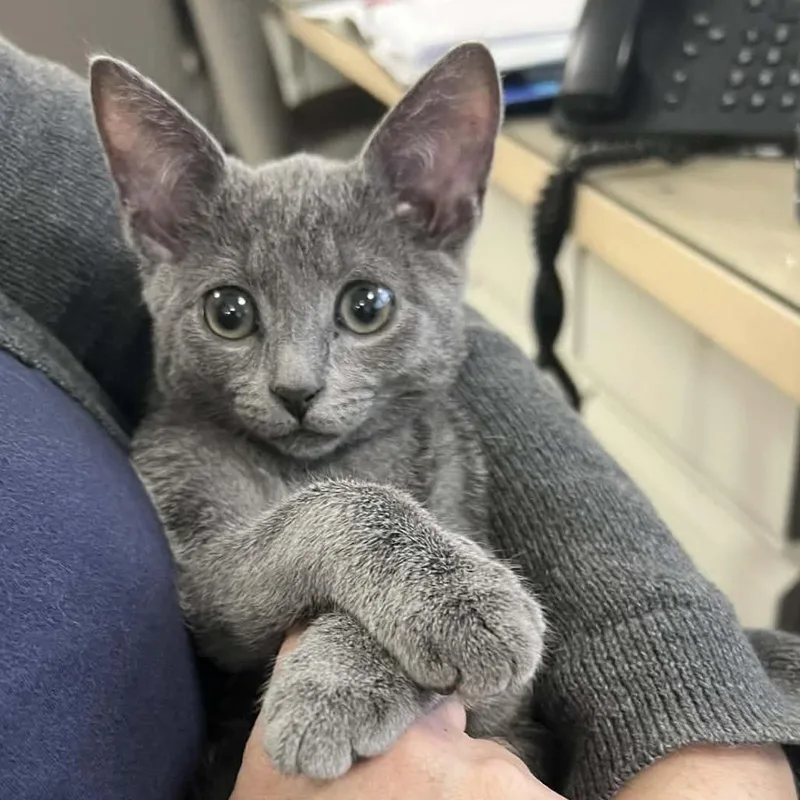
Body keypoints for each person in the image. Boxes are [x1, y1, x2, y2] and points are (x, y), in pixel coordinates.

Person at [0, 34, 799, 800]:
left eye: (365, 305)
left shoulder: (439, 442)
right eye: (233, 312)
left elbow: (497, 683)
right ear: (157, 230)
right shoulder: (185, 441)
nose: (296, 380)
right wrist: (356, 541)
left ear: (444, 211)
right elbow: (215, 598)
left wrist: (702, 734)